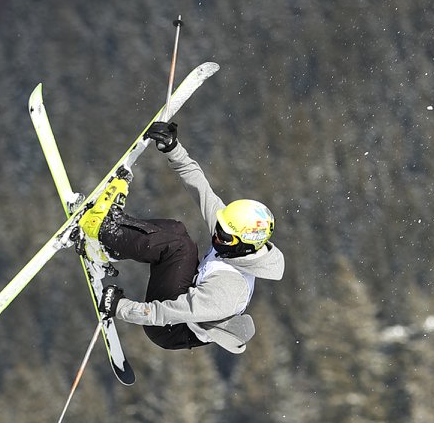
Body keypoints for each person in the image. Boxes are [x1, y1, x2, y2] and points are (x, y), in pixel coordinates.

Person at [81, 119, 285, 354]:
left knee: (178, 246)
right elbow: (202, 189)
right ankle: (111, 236)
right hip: (186, 300)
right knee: (178, 231)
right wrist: (173, 148)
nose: (217, 238)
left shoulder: (228, 290)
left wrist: (120, 307)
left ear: (246, 246)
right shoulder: (233, 237)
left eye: (225, 238)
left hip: (172, 328)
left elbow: (167, 312)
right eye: (219, 229)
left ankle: (104, 232)